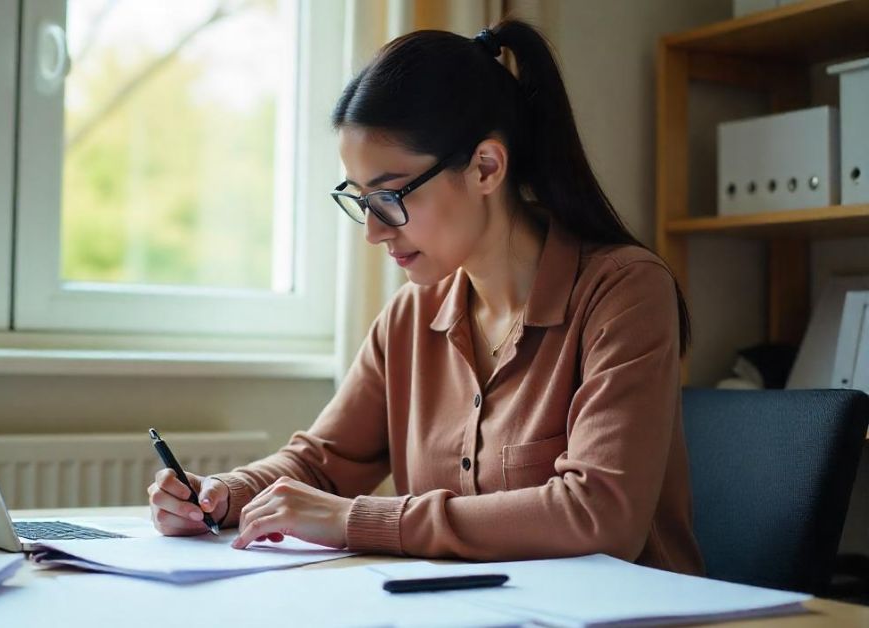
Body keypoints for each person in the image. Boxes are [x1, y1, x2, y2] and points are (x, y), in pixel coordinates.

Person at [147, 20, 704, 575]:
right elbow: (322, 463)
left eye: (389, 196)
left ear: (486, 167)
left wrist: (355, 521)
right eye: (361, 200)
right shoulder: (410, 317)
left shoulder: (625, 293)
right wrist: (223, 494)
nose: (373, 230)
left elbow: (600, 515)